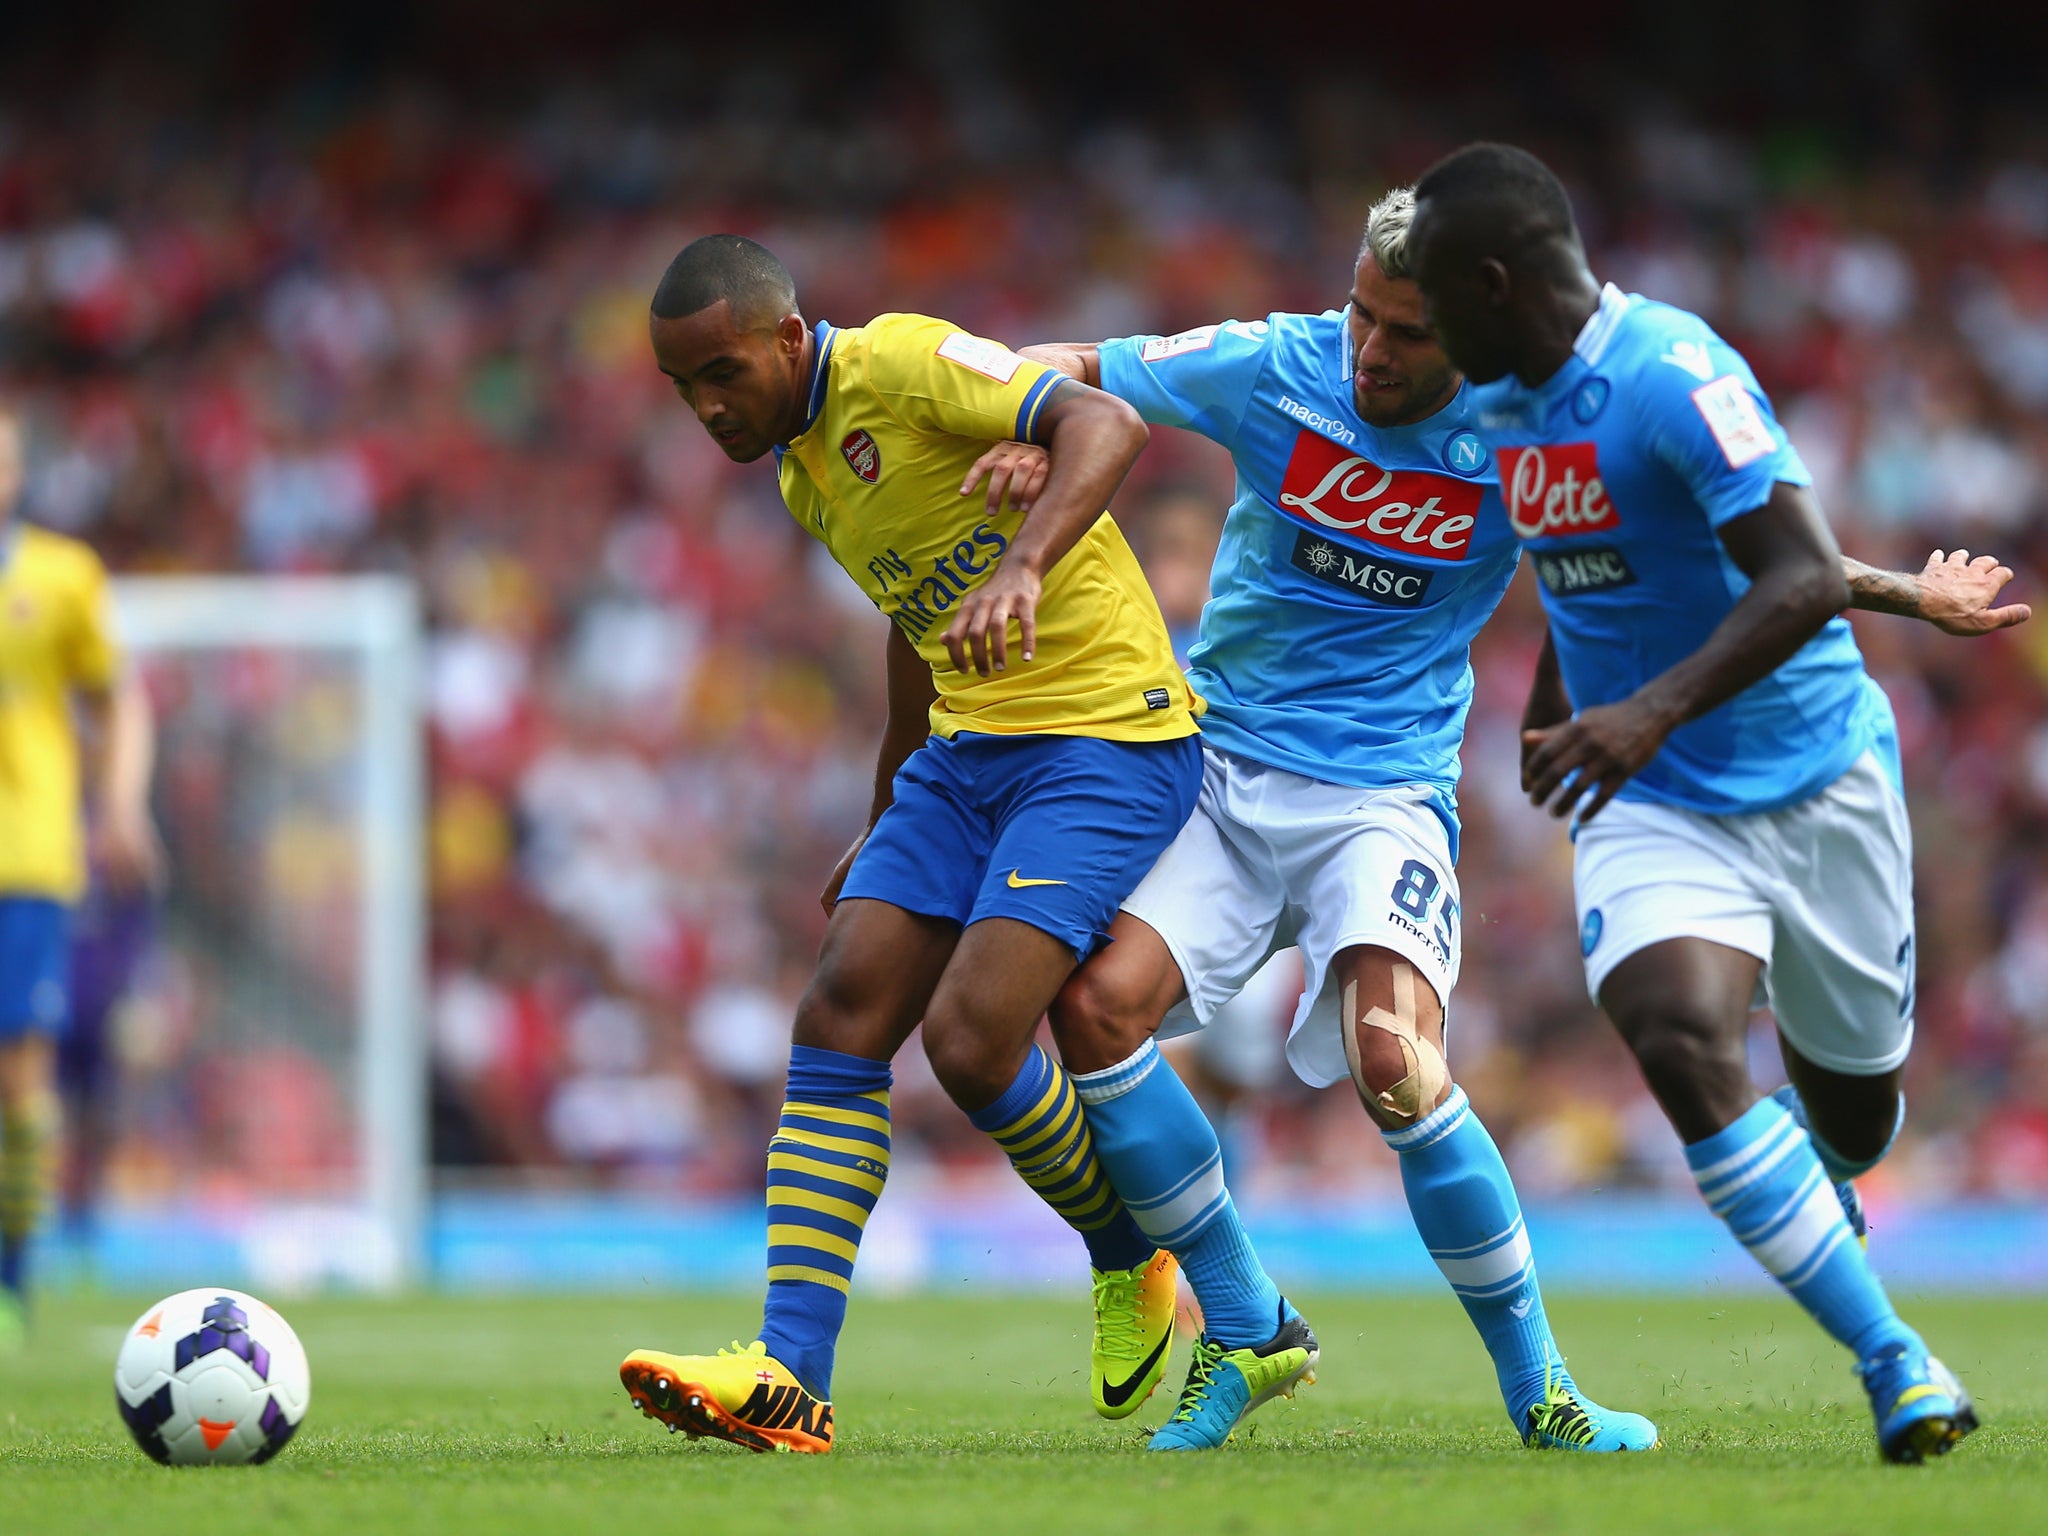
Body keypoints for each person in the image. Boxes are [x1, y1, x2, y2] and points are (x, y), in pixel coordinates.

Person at [982, 187, 2021, 1454]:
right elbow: (1067, 362)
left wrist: (1907, 592)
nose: (1369, 350)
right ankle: (1249, 1327)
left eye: (1404, 333)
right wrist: (1033, 424)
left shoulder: (1513, 428)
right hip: (1223, 764)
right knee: (1092, 1010)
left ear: (1465, 334)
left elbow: (1721, 535)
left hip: (1379, 791)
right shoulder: (1275, 366)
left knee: (1393, 1060)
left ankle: (1542, 1392)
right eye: (1361, 315)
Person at [617, 236, 1311, 1454]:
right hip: (966, 752)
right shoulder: (803, 474)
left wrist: (1027, 565)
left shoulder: (897, 360)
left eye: (722, 372)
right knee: (839, 1013)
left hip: (1103, 738)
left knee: (974, 1038)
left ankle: (1131, 1252)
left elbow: (1105, 425)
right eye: (685, 390)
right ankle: (792, 1377)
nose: (707, 405)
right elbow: (912, 625)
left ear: (787, 339)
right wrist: (888, 810)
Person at [1406, 141, 2031, 1464]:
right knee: (1677, 1038)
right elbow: (1602, 561)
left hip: (1819, 780)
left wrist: (1646, 708)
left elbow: (1794, 573)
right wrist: (1563, 710)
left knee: (1854, 1115)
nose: (1434, 336)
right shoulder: (1511, 401)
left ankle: (1829, 1171)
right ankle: (1897, 1363)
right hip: (1656, 801)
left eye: (1441, 303)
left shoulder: (1676, 375)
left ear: (1497, 280)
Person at [0, 407, 161, 1346]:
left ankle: (11, 1282)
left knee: (20, 1082)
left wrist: (121, 804)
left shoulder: (61, 579)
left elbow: (118, 699)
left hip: (24, 858)